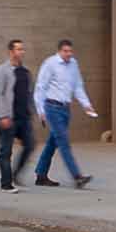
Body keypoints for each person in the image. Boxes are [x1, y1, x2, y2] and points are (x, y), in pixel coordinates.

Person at [32, 38, 98, 189]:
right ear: (59, 51)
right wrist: (40, 110)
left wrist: (86, 105)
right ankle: (77, 176)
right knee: (63, 142)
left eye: (70, 51)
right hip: (52, 107)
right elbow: (40, 87)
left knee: (52, 143)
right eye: (65, 51)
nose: (69, 54)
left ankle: (41, 174)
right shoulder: (50, 64)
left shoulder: (73, 64)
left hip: (65, 108)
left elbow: (78, 86)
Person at [0, 37, 35, 191]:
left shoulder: (25, 71)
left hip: (23, 117)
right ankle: (6, 184)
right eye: (18, 49)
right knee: (6, 151)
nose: (21, 52)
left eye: (22, 49)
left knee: (30, 145)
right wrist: (3, 116)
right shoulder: (1, 71)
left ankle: (15, 174)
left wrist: (32, 111)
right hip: (7, 118)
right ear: (11, 52)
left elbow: (30, 93)